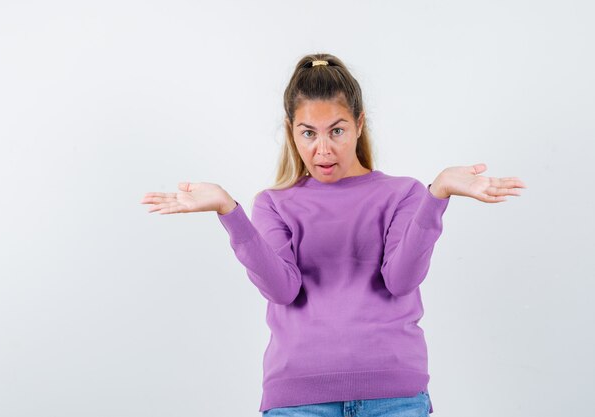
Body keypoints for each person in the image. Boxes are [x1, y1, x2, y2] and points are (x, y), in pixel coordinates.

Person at [140, 53, 526, 417]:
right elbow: (282, 290)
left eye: (336, 131)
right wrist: (228, 211)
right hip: (298, 401)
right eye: (309, 133)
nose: (323, 149)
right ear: (292, 131)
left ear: (359, 124)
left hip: (393, 397)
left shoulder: (405, 193)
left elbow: (401, 279)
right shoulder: (274, 204)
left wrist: (437, 195)